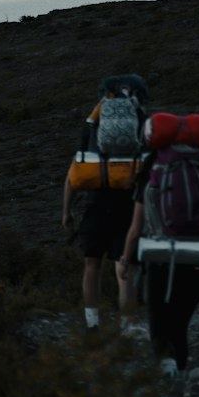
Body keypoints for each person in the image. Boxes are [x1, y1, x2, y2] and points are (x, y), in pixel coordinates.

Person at [119, 150, 199, 397]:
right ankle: (179, 384)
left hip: (159, 262)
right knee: (180, 328)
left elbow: (135, 230)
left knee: (159, 327)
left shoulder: (149, 183)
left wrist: (127, 260)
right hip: (195, 261)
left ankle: (167, 375)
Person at [62, 120, 138, 332]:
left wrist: (66, 212)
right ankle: (127, 327)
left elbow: (72, 174)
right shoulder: (133, 124)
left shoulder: (90, 127)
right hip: (126, 208)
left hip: (94, 208)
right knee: (123, 269)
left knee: (92, 266)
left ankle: (93, 323)